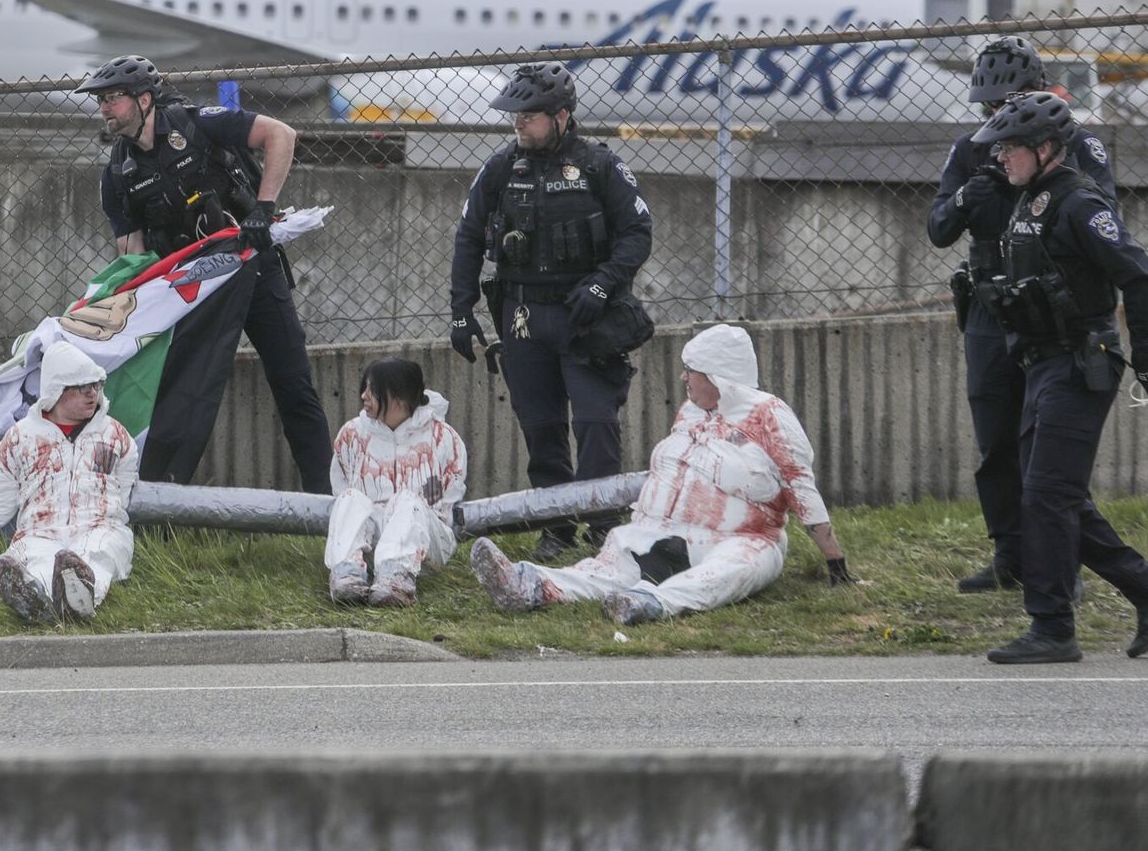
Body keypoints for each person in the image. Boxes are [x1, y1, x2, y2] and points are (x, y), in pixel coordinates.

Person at [468, 324, 850, 625]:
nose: (684, 379)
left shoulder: (769, 415)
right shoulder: (691, 411)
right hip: (659, 533)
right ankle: (530, 584)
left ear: (719, 377)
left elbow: (801, 486)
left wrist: (836, 564)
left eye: (692, 371)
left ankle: (651, 603)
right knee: (607, 567)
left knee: (731, 571)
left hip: (741, 538)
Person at [78, 54, 332, 493]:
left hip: (254, 269)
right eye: (100, 100)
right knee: (180, 399)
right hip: (192, 291)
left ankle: (326, 502)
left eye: (112, 99)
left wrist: (264, 208)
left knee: (294, 386)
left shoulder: (197, 124)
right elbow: (133, 256)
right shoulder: (116, 175)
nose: (104, 108)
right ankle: (161, 501)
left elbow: (281, 134)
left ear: (143, 99)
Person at [928, 35, 1116, 594]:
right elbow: (939, 229)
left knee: (1048, 447)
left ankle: (1061, 563)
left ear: (1036, 91)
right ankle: (1011, 555)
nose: (997, 116)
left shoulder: (1079, 147)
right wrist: (970, 197)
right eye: (988, 107)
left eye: (1006, 103)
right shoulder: (972, 149)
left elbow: (1103, 221)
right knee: (996, 440)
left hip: (1050, 314)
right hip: (990, 311)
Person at [967, 92, 1148, 664]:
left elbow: (1138, 275)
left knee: (1047, 495)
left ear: (1044, 148)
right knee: (1055, 495)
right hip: (1043, 363)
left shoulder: (1078, 203)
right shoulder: (1029, 198)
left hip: (1081, 361)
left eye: (1009, 149)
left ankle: (1052, 627)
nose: (999, 158)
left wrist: (1144, 355)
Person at [449, 61, 654, 556]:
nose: (518, 124)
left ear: (561, 115)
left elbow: (637, 234)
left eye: (529, 115)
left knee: (594, 422)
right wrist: (461, 310)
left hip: (586, 316)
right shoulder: (501, 167)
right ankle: (556, 526)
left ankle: (606, 525)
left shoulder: (600, 165)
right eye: (514, 116)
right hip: (522, 318)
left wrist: (603, 286)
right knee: (541, 427)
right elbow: (469, 238)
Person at [0, 341, 139, 623]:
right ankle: (32, 595)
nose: (92, 393)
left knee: (99, 554)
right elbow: (0, 507)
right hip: (40, 529)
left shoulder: (115, 434)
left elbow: (125, 490)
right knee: (34, 555)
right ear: (56, 390)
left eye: (96, 385)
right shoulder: (20, 438)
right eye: (82, 387)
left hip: (99, 526)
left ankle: (80, 597)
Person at [325, 357, 466, 607]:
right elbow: (340, 487)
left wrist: (407, 508)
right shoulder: (352, 434)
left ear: (400, 397)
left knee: (409, 500)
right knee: (349, 498)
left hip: (424, 542)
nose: (364, 396)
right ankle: (347, 575)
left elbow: (440, 503)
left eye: (372, 390)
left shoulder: (442, 439)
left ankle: (397, 580)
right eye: (364, 388)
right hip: (371, 541)